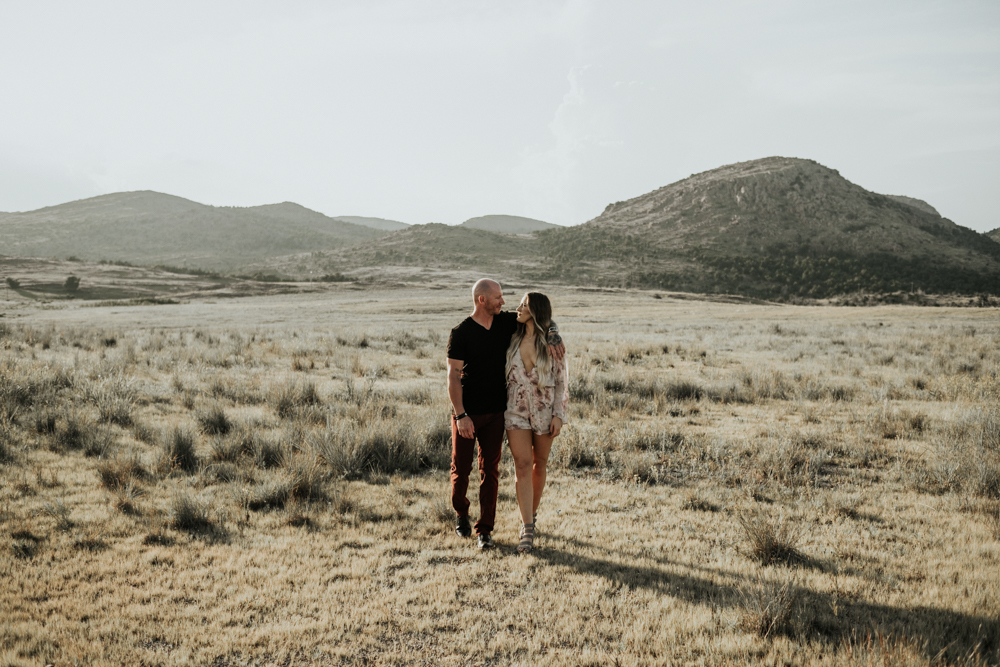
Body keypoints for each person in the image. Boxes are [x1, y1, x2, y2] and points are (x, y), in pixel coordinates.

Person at [447, 279, 563, 550]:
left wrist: (554, 332)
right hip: (467, 413)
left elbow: (542, 316)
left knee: (491, 470)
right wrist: (460, 415)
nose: (504, 302)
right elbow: (452, 377)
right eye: (498, 297)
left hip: (499, 412)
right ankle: (461, 513)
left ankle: (484, 529)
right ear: (482, 300)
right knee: (461, 469)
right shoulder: (461, 332)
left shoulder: (505, 322)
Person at [504, 292, 568, 553]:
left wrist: (559, 414)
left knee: (539, 465)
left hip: (544, 410)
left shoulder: (552, 342)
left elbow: (562, 380)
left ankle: (532, 513)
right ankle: (527, 527)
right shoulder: (511, 335)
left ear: (536, 310)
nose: (518, 308)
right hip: (515, 411)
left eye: (524, 304)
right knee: (522, 464)